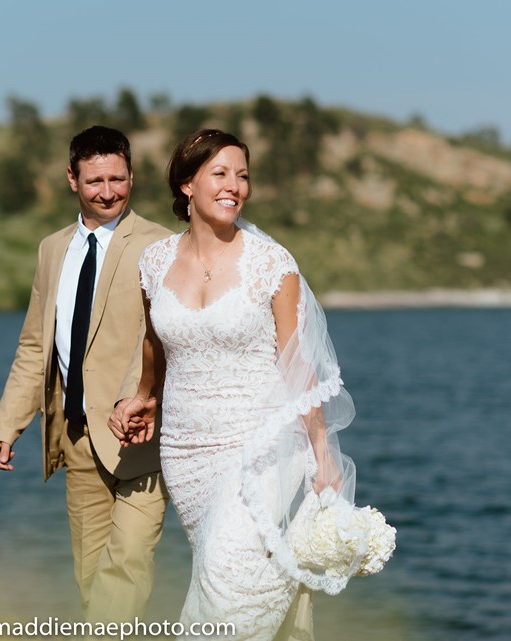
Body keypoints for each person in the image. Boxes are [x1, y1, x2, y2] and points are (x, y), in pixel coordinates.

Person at [110, 129, 364, 640]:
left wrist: (323, 452)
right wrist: (143, 397)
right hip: (186, 453)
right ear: (187, 184)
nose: (234, 186)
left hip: (261, 446)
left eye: (242, 175)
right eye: (220, 174)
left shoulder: (272, 265)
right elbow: (154, 344)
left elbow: (297, 365)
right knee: (220, 570)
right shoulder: (154, 263)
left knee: (226, 576)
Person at [0, 125, 173, 624]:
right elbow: (34, 345)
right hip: (75, 440)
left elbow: (164, 339)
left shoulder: (162, 246)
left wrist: (140, 397)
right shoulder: (51, 250)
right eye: (95, 181)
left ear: (132, 175)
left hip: (140, 440)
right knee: (91, 583)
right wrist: (7, 425)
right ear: (72, 179)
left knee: (128, 568)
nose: (108, 192)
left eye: (118, 179)